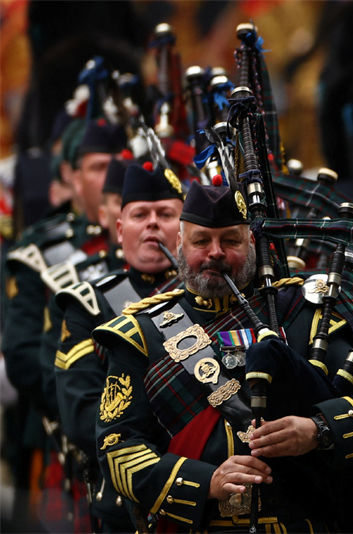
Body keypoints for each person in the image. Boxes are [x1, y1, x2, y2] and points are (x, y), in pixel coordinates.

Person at [93, 183, 353, 532]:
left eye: (230, 240)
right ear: (179, 245)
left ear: (252, 245)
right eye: (201, 241)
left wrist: (317, 429)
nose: (216, 253)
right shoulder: (140, 335)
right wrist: (205, 481)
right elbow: (117, 446)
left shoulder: (304, 314)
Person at [1, 117, 126, 530]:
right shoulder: (42, 247)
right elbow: (22, 357)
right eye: (96, 166)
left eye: (118, 162)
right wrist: (84, 417)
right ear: (72, 176)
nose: (111, 175)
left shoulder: (152, 247)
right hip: (63, 434)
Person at [49, 162, 183, 531]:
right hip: (130, 506)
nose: (153, 223)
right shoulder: (89, 305)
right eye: (140, 214)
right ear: (120, 230)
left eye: (166, 214)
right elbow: (81, 418)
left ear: (186, 230)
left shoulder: (211, 299)